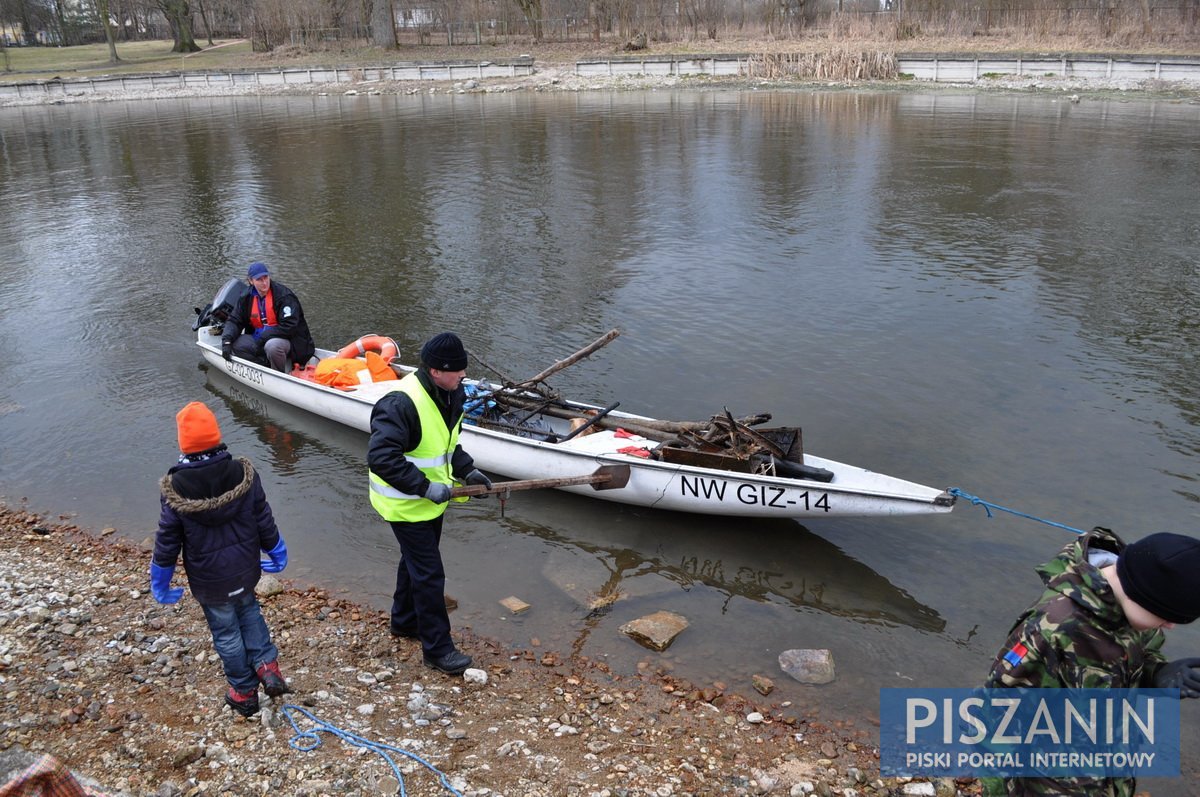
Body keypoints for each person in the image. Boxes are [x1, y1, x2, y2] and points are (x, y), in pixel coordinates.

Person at [982, 526, 1200, 796]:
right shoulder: (1054, 628)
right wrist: (996, 786)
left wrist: (1156, 673)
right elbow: (996, 707)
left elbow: (1132, 658)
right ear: (1141, 595)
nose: (1169, 626)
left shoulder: (1132, 612)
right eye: (1166, 616)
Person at [150, 401, 293, 717]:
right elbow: (263, 518)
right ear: (216, 436)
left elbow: (167, 540)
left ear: (183, 443)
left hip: (210, 582)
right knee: (251, 614)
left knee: (227, 633)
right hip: (245, 569)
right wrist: (276, 550)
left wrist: (161, 579)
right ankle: (267, 666)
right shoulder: (243, 473)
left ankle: (243, 692)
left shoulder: (175, 488)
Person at [367, 331, 493, 676]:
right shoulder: (401, 403)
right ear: (436, 370)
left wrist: (468, 471)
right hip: (405, 504)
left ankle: (404, 621)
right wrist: (423, 487)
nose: (464, 375)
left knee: (415, 563)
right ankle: (437, 650)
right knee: (429, 574)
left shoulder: (453, 394)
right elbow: (380, 457)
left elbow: (448, 444)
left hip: (431, 503)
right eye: (458, 370)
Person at [221, 262, 315, 372]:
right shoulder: (246, 297)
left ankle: (279, 374)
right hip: (260, 339)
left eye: (266, 277)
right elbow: (234, 320)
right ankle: (265, 366)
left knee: (272, 346)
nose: (264, 283)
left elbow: (290, 326)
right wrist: (226, 341)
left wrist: (264, 337)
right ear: (251, 281)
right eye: (259, 280)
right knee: (235, 343)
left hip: (289, 342)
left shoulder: (284, 296)